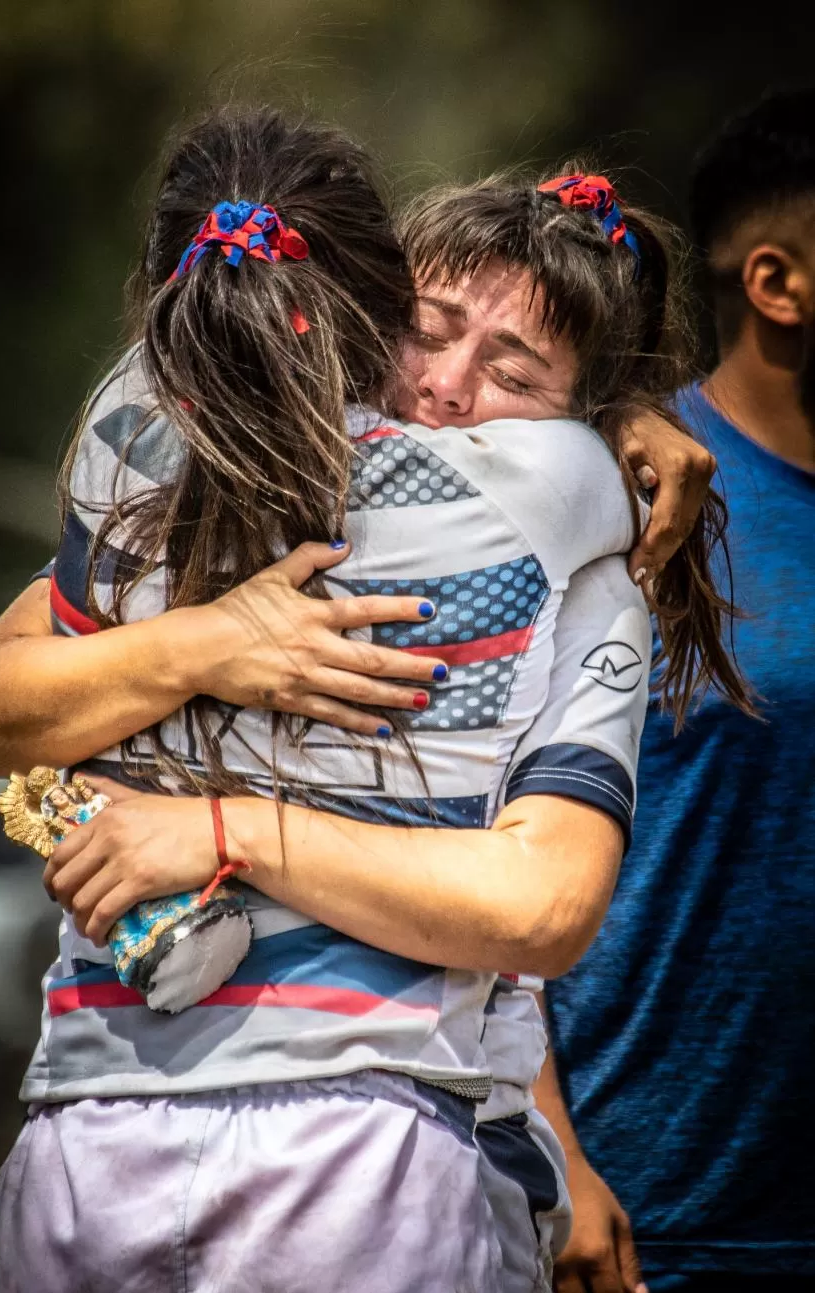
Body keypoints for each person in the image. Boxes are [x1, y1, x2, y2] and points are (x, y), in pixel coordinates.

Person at [0, 111, 737, 1293]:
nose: (448, 389)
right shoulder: (190, 493)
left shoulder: (577, 573)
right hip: (96, 1111)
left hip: (373, 1134)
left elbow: (542, 902)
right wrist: (211, 641)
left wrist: (224, 833)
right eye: (425, 331)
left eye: (512, 375)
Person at [537, 89, 815, 1293]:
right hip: (657, 1227)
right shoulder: (626, 503)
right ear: (775, 281)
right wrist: (552, 1152)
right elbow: (475, 823)